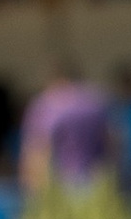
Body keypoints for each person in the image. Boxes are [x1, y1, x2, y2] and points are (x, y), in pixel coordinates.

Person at [18, 65, 121, 196]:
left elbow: (37, 149)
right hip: (97, 180)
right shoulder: (99, 102)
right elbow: (114, 144)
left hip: (60, 183)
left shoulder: (47, 105)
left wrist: (31, 187)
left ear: (57, 80)